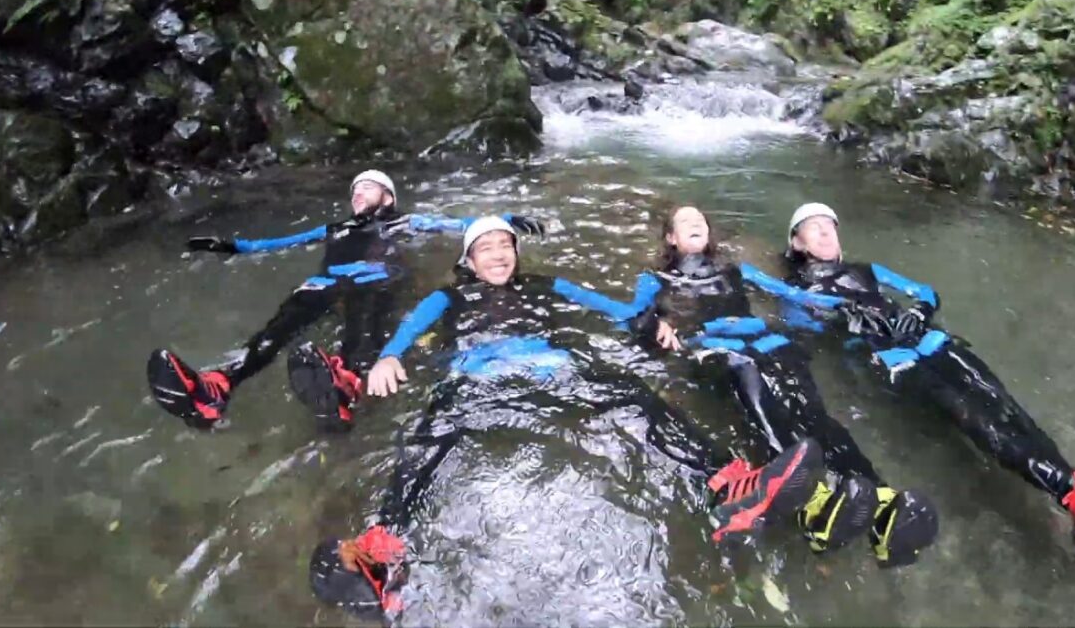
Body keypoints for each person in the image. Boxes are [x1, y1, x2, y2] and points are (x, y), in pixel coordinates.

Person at [302, 216, 828, 619]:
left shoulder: (547, 286)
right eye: (486, 248)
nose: (499, 254)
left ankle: (732, 486)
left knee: (634, 394)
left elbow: (614, 311)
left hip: (552, 373)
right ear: (469, 260)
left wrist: (654, 316)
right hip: (475, 378)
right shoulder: (449, 295)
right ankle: (381, 550)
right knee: (427, 436)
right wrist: (390, 356)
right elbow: (410, 330)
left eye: (505, 245)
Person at [749, 201, 1075, 573]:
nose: (824, 233)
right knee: (972, 415)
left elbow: (924, 292)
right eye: (812, 228)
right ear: (796, 243)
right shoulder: (798, 293)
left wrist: (920, 310)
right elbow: (805, 332)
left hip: (933, 341)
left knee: (1004, 407)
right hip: (892, 360)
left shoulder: (868, 270)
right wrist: (838, 316)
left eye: (829, 227)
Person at [618, 205, 937, 568]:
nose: (695, 222)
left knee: (811, 409)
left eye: (700, 219)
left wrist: (845, 306)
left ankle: (878, 498)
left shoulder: (734, 269)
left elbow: (792, 294)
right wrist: (657, 322)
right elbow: (634, 316)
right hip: (715, 349)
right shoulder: (656, 279)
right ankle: (812, 503)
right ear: (671, 238)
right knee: (754, 385)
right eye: (684, 221)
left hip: (767, 342)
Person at [145, 170, 546, 431]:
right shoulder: (335, 227)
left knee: (364, 320)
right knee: (277, 329)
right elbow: (281, 242)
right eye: (353, 191)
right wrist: (233, 247)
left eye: (366, 189)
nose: (357, 197)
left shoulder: (407, 222)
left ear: (388, 196)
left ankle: (346, 384)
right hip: (325, 282)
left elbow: (462, 226)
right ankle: (217, 388)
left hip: (376, 280)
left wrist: (507, 219)